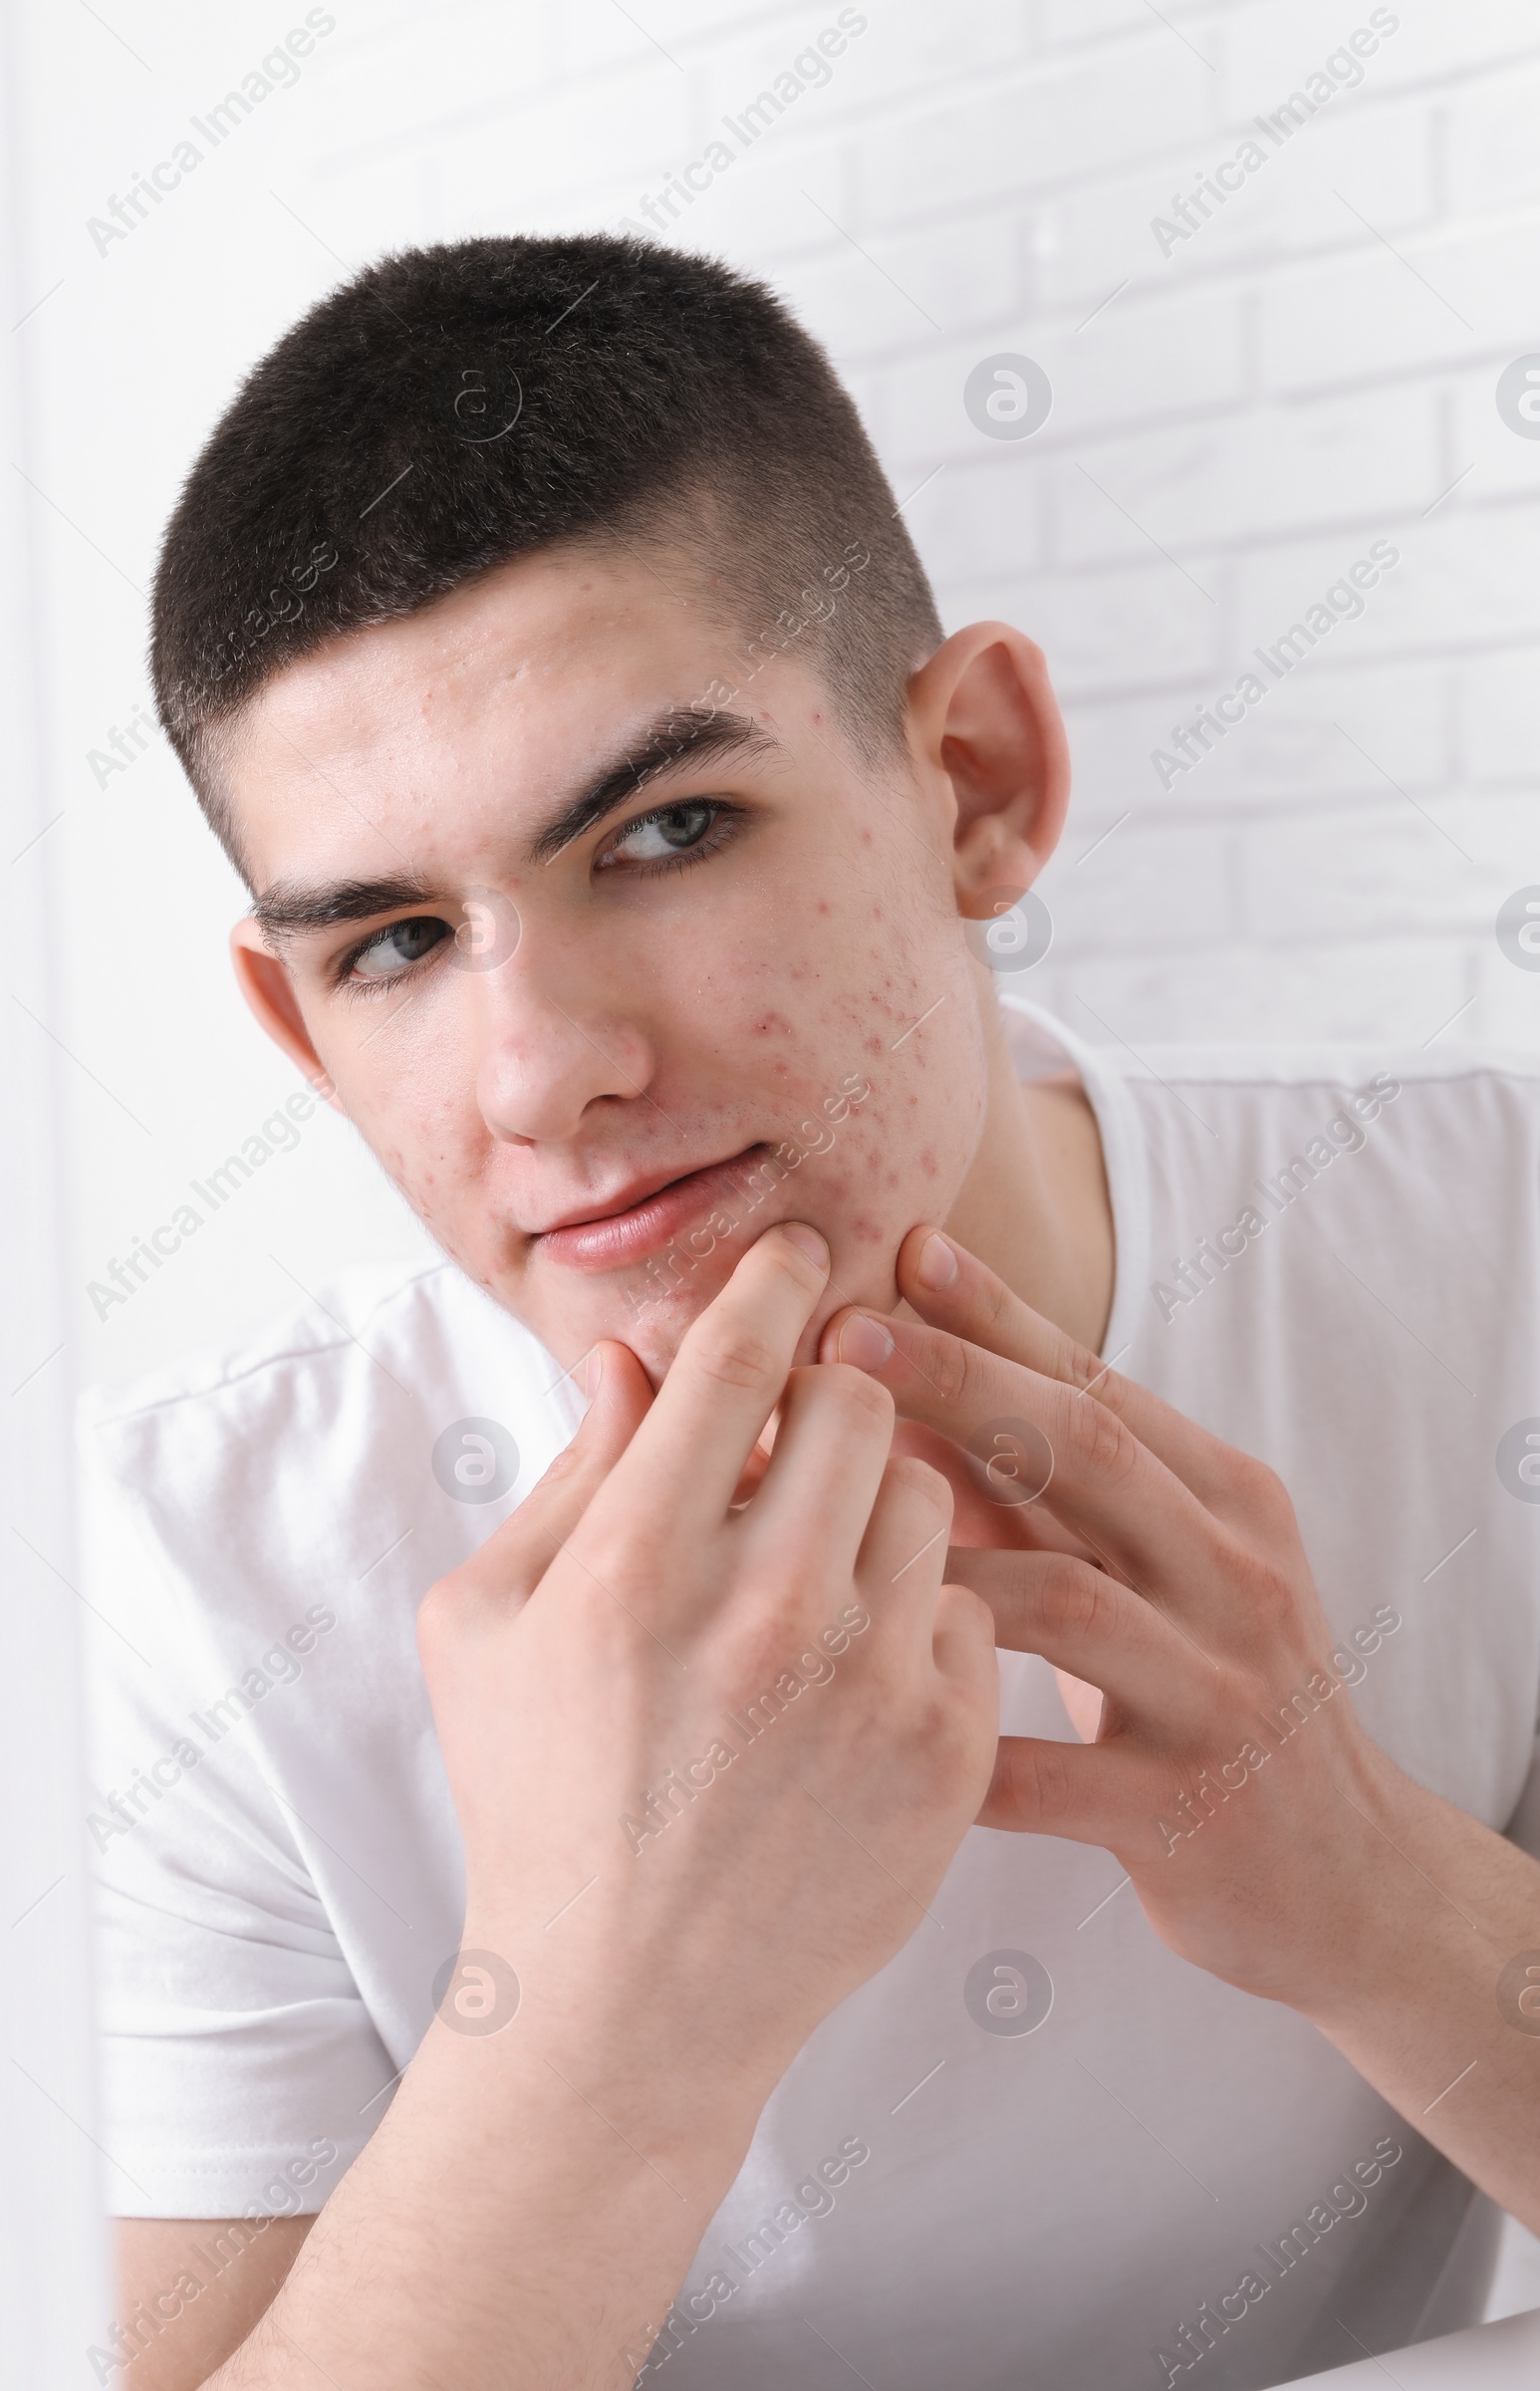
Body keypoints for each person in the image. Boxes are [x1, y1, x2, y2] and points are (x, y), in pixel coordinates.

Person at [85, 233, 1540, 2391]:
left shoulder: (1483, 1246)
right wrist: (610, 2014)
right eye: (391, 944)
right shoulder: (203, 1568)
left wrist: (1368, 1887)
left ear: (974, 783)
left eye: (665, 829)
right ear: (296, 1028)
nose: (536, 1074)